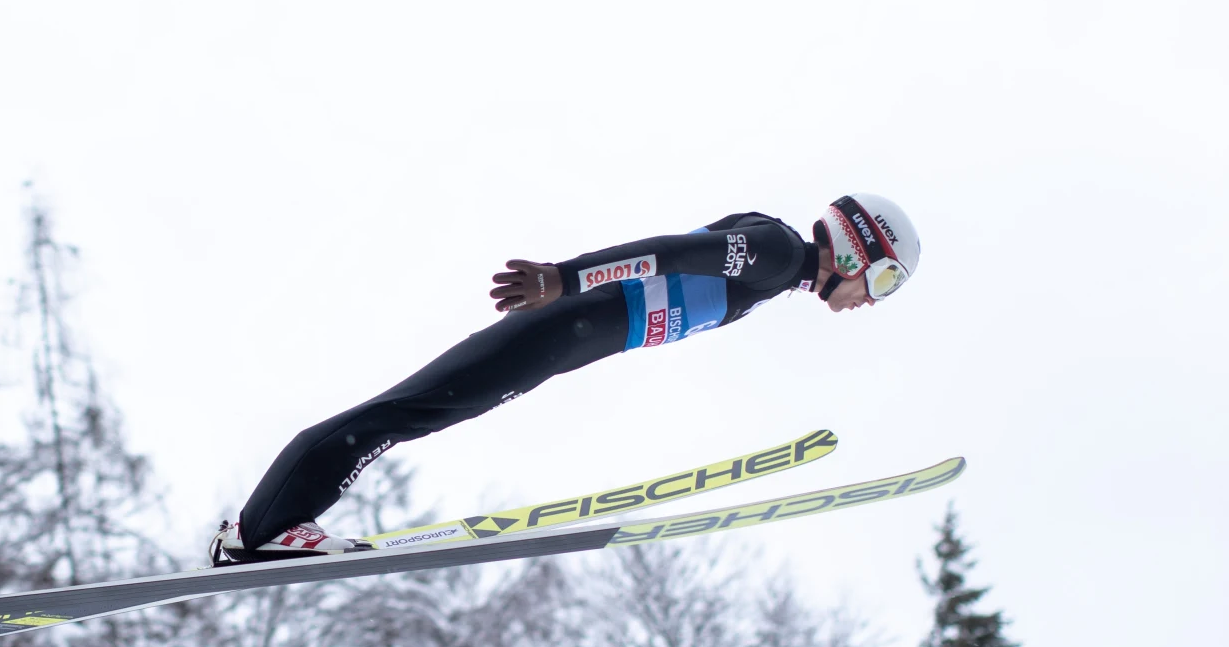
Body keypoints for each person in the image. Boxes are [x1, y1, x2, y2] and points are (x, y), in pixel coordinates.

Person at [209, 193, 921, 565]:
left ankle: (263, 528)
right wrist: (563, 280)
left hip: (566, 340)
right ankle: (261, 530)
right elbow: (665, 252)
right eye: (884, 280)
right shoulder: (774, 251)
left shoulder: (774, 272)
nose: (871, 303)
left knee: (415, 411)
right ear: (859, 251)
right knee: (409, 410)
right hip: (563, 323)